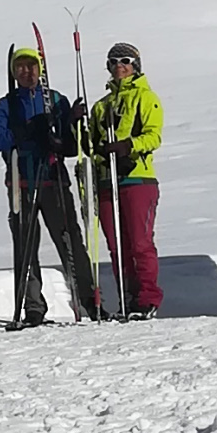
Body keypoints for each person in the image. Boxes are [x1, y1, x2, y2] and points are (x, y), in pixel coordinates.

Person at [0, 45, 100, 325]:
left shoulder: (55, 100)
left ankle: (89, 301)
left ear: (40, 68)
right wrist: (22, 132)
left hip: (53, 180)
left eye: (31, 65)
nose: (27, 71)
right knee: (25, 246)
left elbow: (72, 147)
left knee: (70, 241)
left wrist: (71, 123)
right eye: (20, 67)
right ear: (14, 72)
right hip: (21, 183)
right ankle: (33, 307)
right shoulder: (7, 104)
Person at [82, 40, 164, 320]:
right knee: (117, 246)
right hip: (108, 180)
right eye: (114, 62)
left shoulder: (145, 97)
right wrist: (77, 127)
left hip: (137, 178)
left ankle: (147, 299)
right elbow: (90, 146)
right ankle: (127, 299)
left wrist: (128, 147)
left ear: (135, 66)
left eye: (125, 61)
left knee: (140, 242)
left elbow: (154, 136)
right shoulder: (102, 106)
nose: (120, 67)